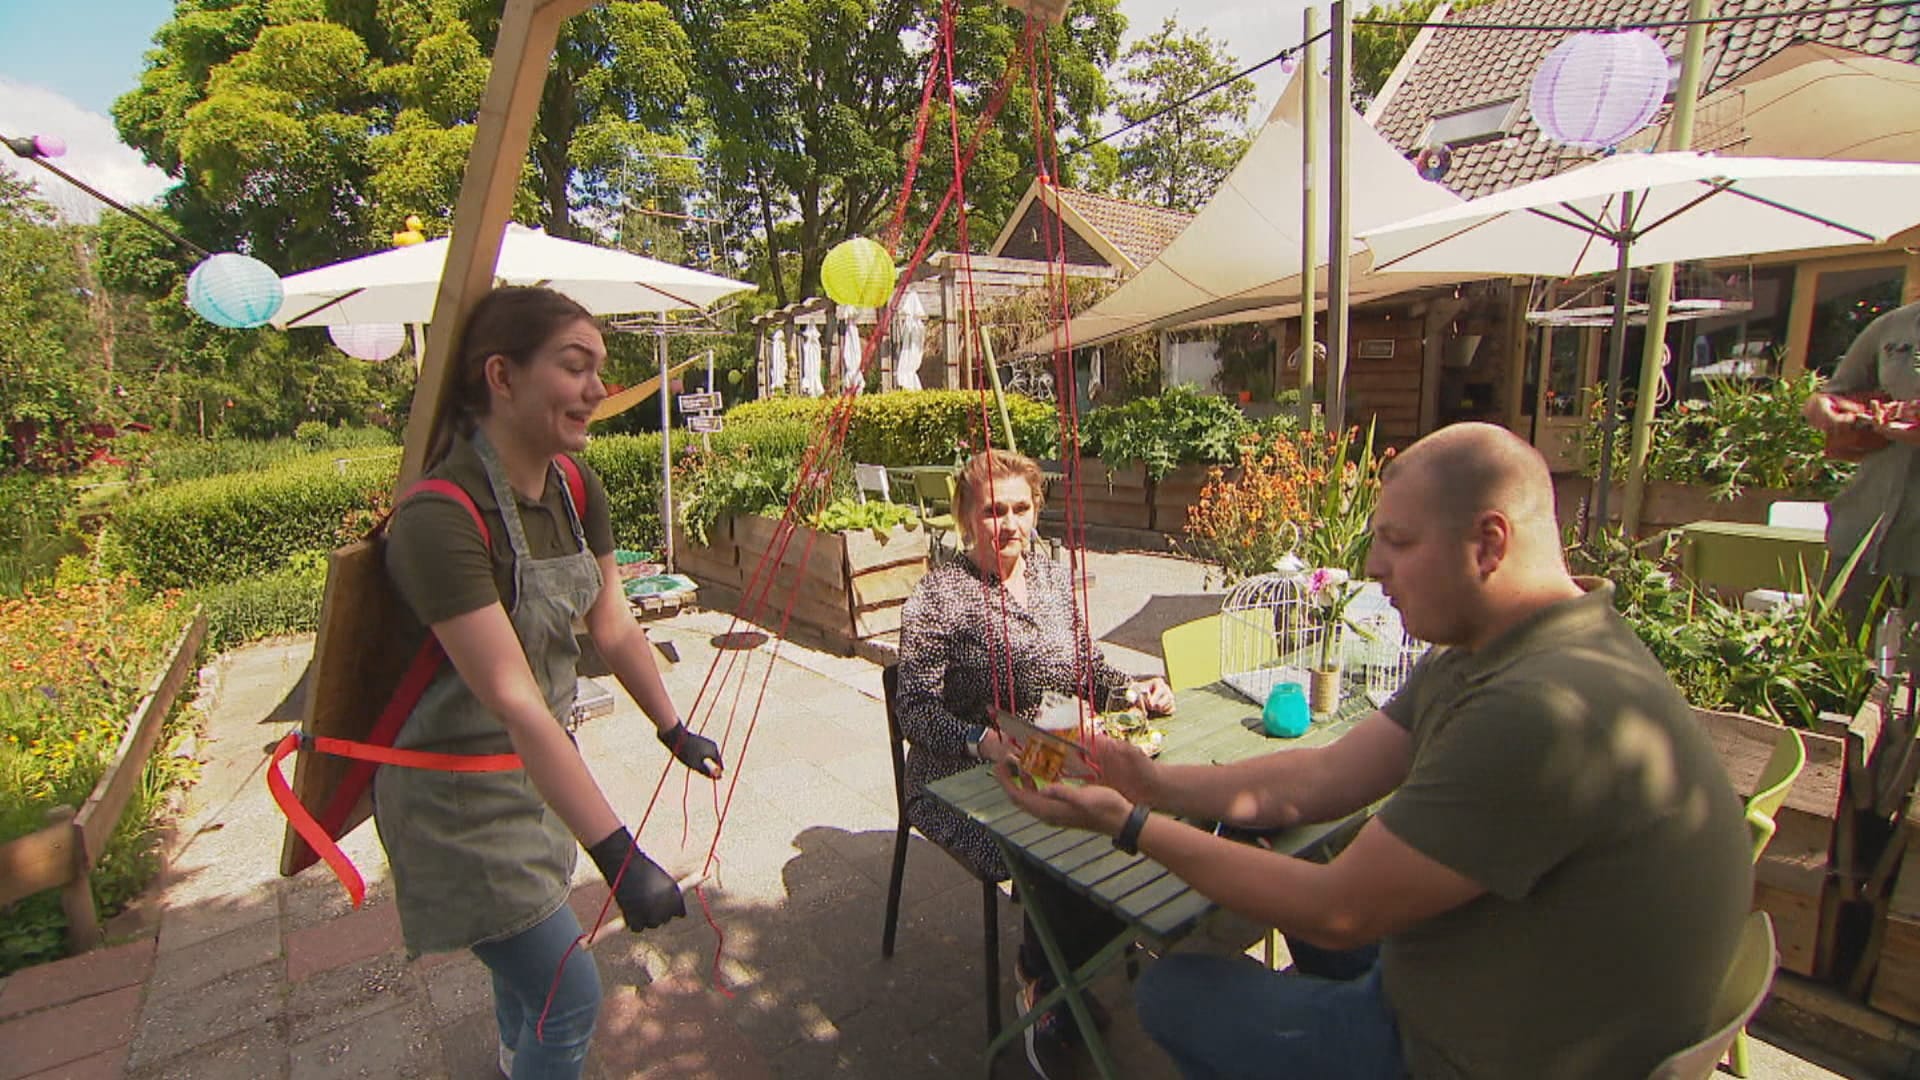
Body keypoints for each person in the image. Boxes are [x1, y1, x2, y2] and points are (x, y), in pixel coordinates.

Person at [1000, 423, 1754, 1080]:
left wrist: (1128, 826)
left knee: (1172, 991)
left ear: (1488, 543)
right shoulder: (1492, 647)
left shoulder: (1541, 707)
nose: (1373, 569)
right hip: (1474, 979)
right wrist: (1152, 783)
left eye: (1396, 541)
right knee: (1288, 859)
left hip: (1469, 1056)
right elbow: (1327, 774)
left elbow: (1339, 912)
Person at [376, 286, 725, 1080]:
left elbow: (613, 626)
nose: (599, 389)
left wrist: (671, 728)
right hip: (456, 798)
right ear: (501, 376)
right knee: (568, 997)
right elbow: (512, 697)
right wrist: (620, 852)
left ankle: (511, 1061)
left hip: (536, 778)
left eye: (599, 368)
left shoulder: (574, 489)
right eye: (576, 367)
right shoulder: (440, 517)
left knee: (526, 985)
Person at [896, 448, 1175, 1079]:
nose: (1009, 524)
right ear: (966, 516)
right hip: (955, 776)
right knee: (1050, 850)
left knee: (1122, 818)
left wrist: (1136, 689)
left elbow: (1088, 670)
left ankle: (1065, 966)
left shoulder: (1051, 577)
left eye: (1021, 508)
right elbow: (911, 710)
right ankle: (1044, 984)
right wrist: (981, 742)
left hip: (1048, 754)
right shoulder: (938, 596)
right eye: (993, 510)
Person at [1802, 298, 1920, 632]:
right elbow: (1833, 394)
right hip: (1866, 524)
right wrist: (1825, 409)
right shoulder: (1894, 326)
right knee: (1829, 653)